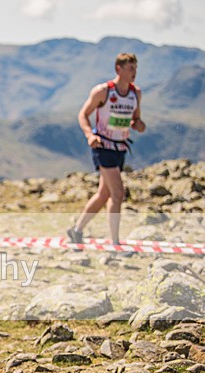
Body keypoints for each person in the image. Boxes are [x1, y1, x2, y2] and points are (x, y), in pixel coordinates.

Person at [67, 53, 145, 246]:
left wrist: (138, 125)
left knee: (104, 194)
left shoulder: (136, 93)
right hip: (103, 146)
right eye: (130, 68)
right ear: (118, 69)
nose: (134, 72)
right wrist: (89, 135)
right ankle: (115, 242)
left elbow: (135, 118)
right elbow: (83, 114)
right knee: (118, 193)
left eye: (135, 68)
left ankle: (76, 230)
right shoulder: (103, 91)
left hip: (121, 148)